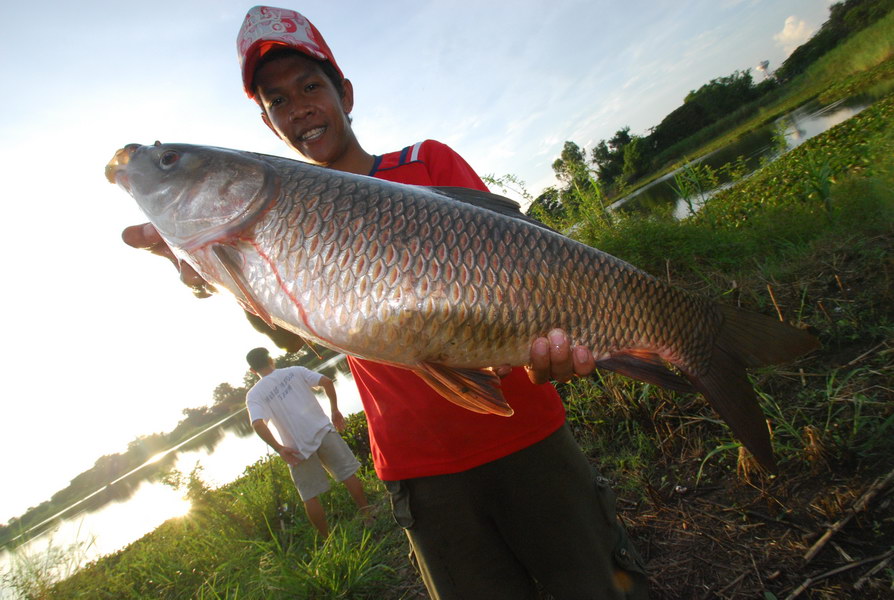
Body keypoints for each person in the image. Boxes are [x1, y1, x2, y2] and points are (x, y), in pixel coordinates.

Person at [123, 6, 648, 599]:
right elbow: (292, 336)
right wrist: (211, 272)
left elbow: (529, 270)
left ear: (344, 93)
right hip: (419, 468)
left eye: (311, 86)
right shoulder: (274, 220)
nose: (299, 108)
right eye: (277, 101)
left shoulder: (428, 162)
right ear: (272, 127)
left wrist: (573, 341)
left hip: (528, 437)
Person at [245, 346, 370, 538]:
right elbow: (327, 382)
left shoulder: (254, 395)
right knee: (347, 474)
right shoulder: (295, 371)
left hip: (296, 448)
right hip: (322, 430)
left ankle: (327, 540)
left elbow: (258, 424)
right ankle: (367, 514)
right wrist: (334, 410)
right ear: (271, 360)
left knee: (310, 496)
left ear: (253, 371)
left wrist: (279, 449)